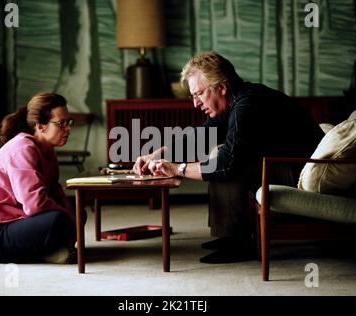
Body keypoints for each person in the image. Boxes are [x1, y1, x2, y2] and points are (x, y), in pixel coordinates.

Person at [133, 52, 324, 264]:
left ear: (222, 88)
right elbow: (201, 137)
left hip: (301, 172)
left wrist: (178, 169)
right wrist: (157, 155)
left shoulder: (247, 106)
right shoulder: (235, 101)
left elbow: (227, 164)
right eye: (193, 96)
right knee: (223, 156)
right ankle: (228, 237)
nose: (195, 103)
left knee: (227, 162)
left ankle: (236, 242)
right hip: (288, 166)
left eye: (200, 94)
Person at [0, 92, 80, 264]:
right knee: (59, 220)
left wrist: (73, 217)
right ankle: (47, 252)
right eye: (61, 123)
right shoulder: (23, 148)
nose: (68, 128)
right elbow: (36, 204)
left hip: (16, 222)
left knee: (77, 212)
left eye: (68, 122)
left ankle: (47, 251)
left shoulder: (48, 151)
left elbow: (55, 192)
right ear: (40, 126)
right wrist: (69, 222)